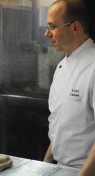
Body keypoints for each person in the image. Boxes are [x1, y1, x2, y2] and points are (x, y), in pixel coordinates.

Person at [43, 0, 95, 175]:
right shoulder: (62, 66)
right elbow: (59, 121)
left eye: (52, 26)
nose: (46, 33)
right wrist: (45, 164)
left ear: (75, 28)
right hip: (59, 167)